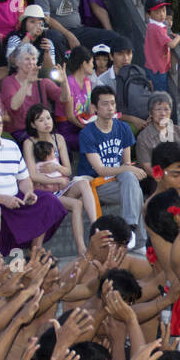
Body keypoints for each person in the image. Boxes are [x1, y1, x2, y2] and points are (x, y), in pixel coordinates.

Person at [0, 106, 66, 264]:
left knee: (49, 200)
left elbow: (23, 179)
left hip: (15, 195)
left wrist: (29, 191)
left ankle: (35, 250)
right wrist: (1, 199)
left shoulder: (12, 146)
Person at [76, 84, 143, 250]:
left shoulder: (123, 128)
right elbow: (100, 170)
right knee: (135, 189)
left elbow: (126, 163)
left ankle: (129, 228)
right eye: (105, 104)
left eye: (112, 103)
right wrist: (128, 169)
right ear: (94, 108)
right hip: (96, 185)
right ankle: (138, 240)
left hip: (117, 182)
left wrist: (128, 170)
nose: (110, 108)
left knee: (131, 182)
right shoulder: (87, 134)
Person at [21, 103, 91, 257]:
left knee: (84, 183)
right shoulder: (29, 143)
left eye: (48, 118)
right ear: (33, 124)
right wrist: (58, 180)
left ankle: (95, 224)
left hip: (61, 187)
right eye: (40, 120)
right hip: (43, 191)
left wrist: (57, 169)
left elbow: (68, 169)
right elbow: (32, 175)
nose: (46, 122)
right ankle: (81, 248)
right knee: (77, 204)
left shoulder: (58, 138)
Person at [0, 40, 58, 139]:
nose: (31, 62)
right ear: (18, 62)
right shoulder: (8, 82)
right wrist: (28, 82)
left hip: (42, 129)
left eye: (33, 59)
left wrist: (65, 82)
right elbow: (14, 106)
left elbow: (64, 99)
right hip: (20, 131)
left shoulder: (42, 81)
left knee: (59, 140)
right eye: (27, 59)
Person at [131, 92, 180, 171]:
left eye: (166, 109)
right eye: (158, 109)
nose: (163, 113)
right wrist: (168, 176)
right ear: (150, 113)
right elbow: (147, 167)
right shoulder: (143, 137)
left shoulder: (177, 130)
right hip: (157, 179)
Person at [142, 0, 179, 93]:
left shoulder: (151, 25)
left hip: (150, 64)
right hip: (158, 68)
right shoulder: (157, 28)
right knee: (161, 93)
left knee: (153, 90)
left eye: (163, 10)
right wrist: (179, 38)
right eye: (157, 12)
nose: (162, 15)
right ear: (148, 14)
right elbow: (171, 44)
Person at [4, 4, 55, 69]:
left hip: (39, 77)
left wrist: (47, 52)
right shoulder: (15, 38)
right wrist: (29, 36)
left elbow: (51, 70)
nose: (37, 26)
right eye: (32, 22)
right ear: (24, 23)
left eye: (40, 22)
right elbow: (12, 62)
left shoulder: (47, 42)